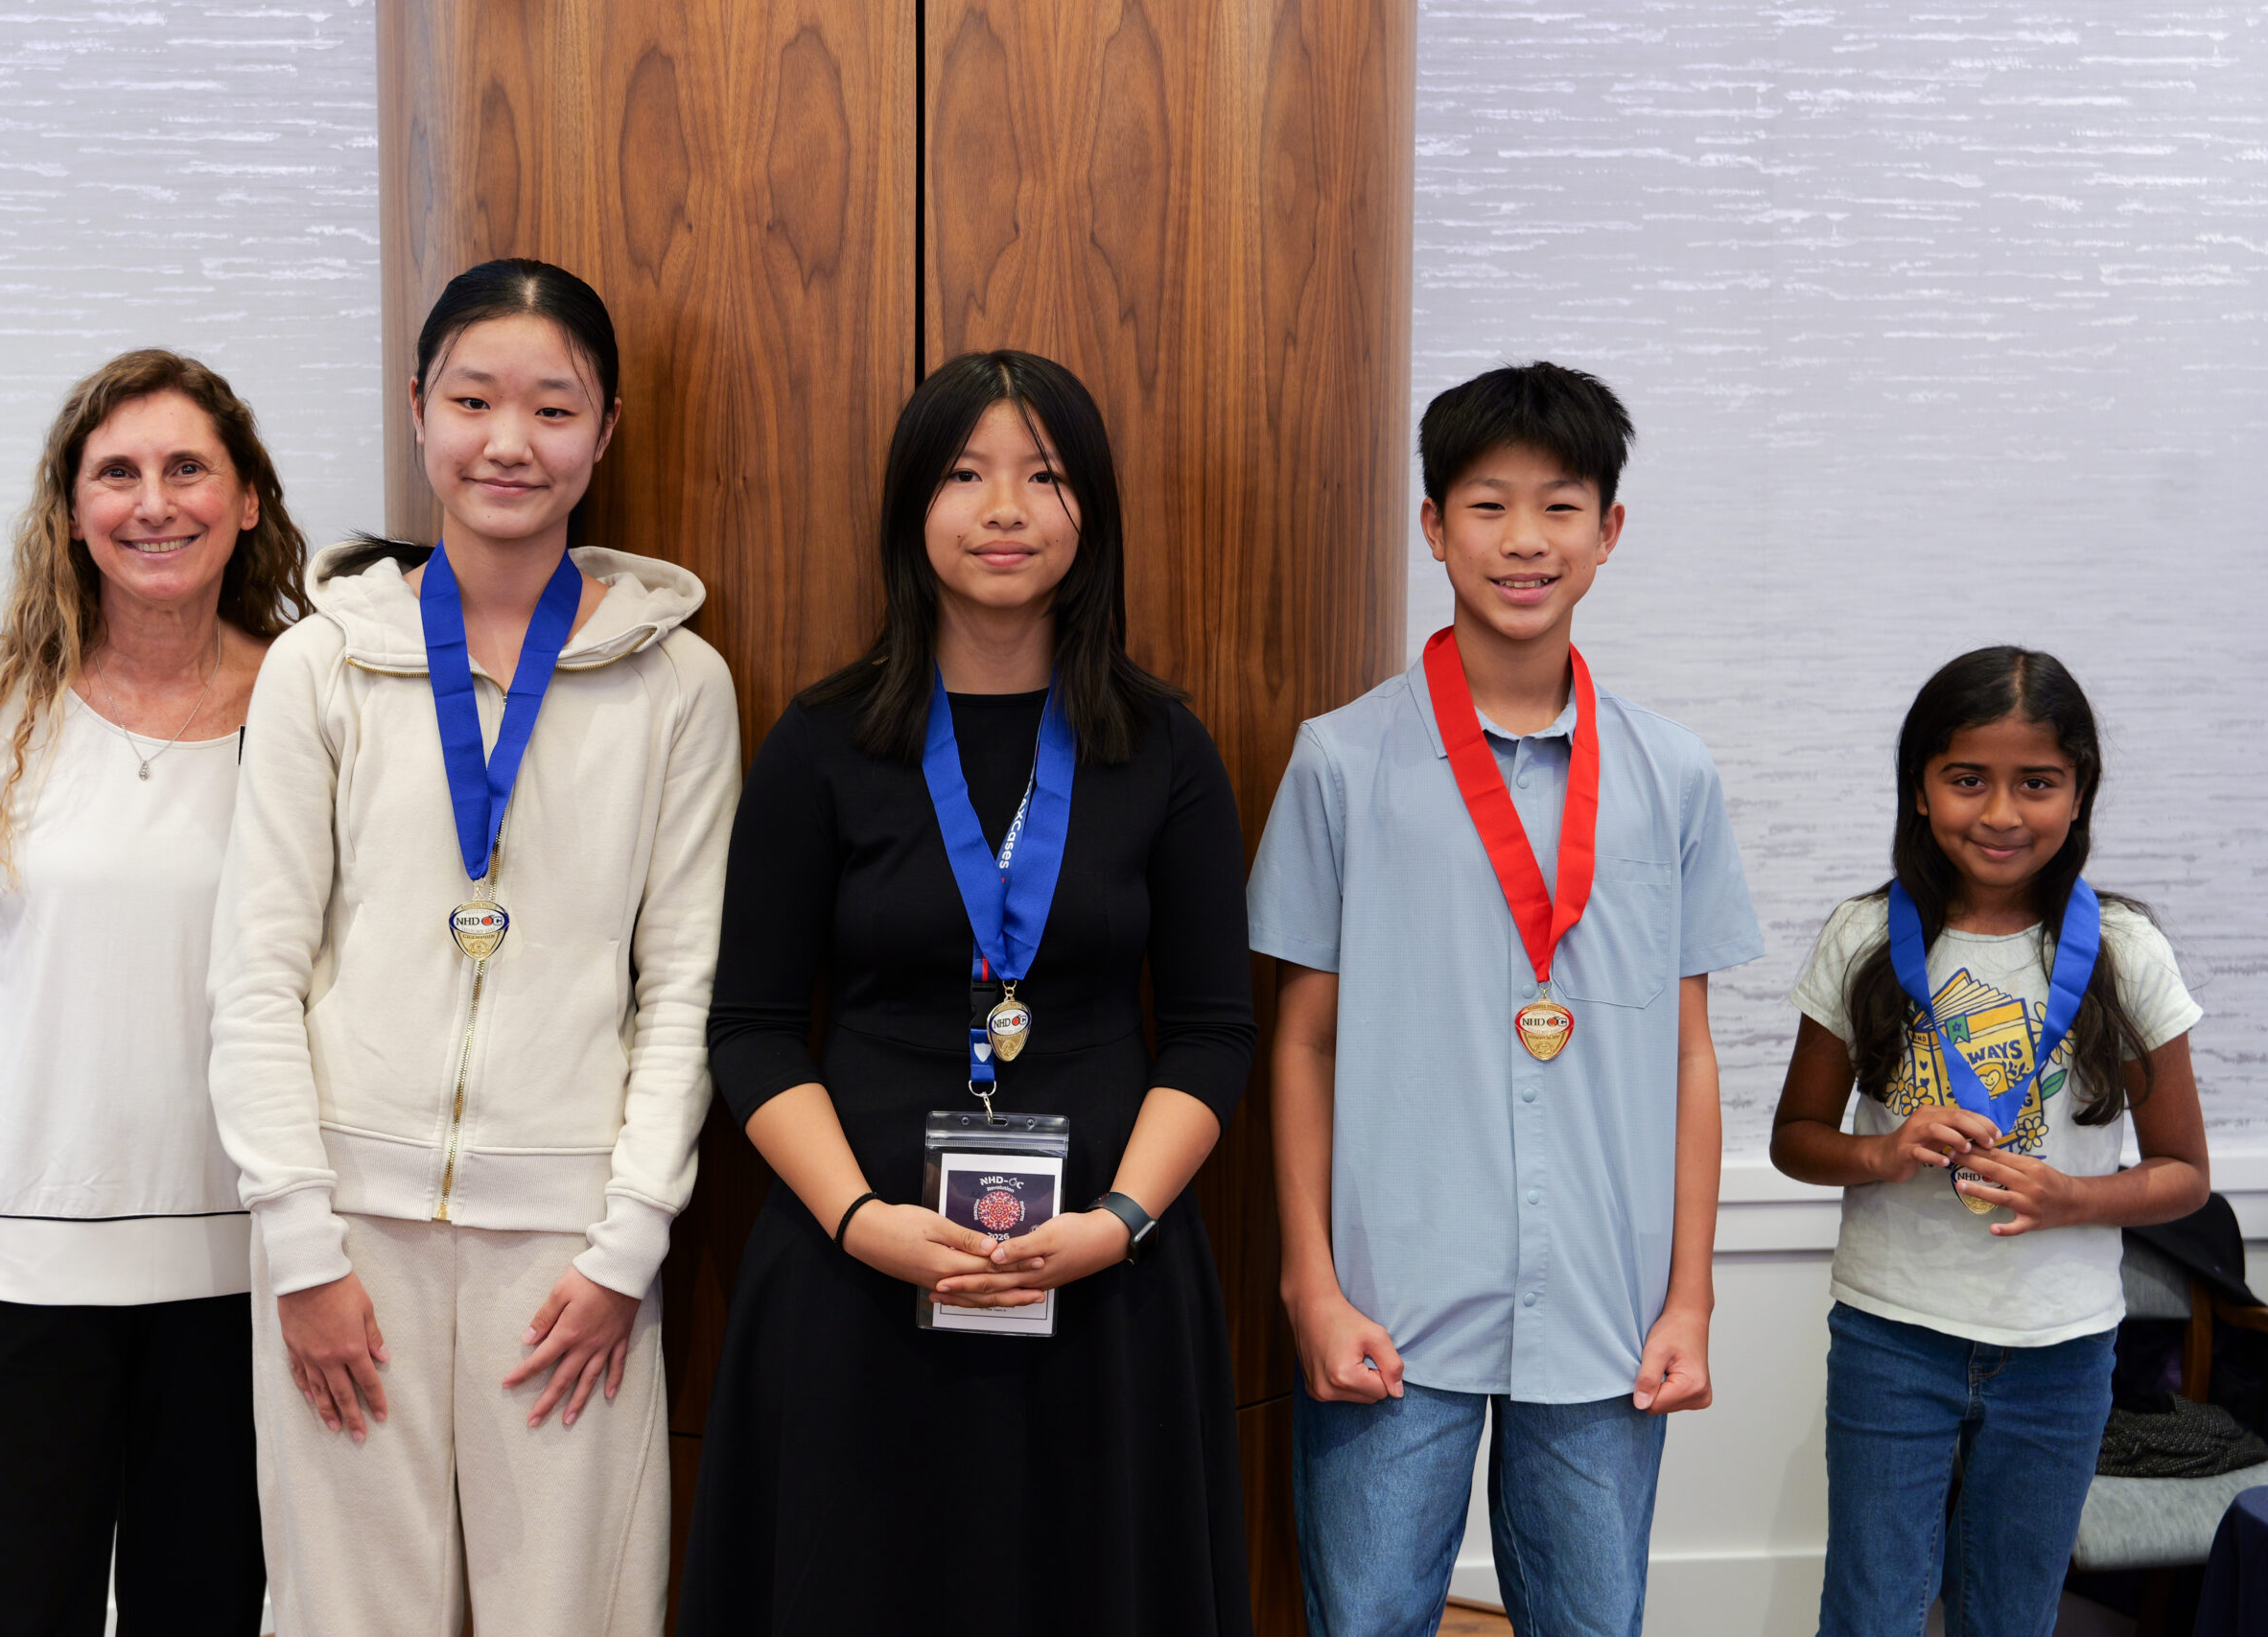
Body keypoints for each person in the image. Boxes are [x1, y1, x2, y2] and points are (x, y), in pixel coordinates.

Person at [681, 350, 1258, 1635]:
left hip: (1107, 1282)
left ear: (1090, 509)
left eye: (1043, 474)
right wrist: (859, 1219)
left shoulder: (1162, 746)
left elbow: (1214, 1031)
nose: (1006, 508)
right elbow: (755, 1028)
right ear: (911, 506)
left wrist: (1119, 1217)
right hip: (860, 1279)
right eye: (966, 472)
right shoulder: (822, 741)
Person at [205, 258, 738, 1636]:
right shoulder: (322, 663)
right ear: (419, 410)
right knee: (344, 1614)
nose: (510, 440)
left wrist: (627, 1245)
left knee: (576, 1610)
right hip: (348, 1239)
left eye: (553, 407)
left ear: (606, 429)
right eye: (474, 399)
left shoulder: (676, 680)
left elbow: (684, 985)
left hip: (567, 1253)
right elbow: (257, 968)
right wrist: (301, 1244)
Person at [1249, 362, 1765, 1637]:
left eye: (1561, 506)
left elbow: (1691, 1055)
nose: (1525, 539)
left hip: (1605, 1303)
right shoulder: (1342, 761)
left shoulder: (1672, 774)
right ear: (1433, 526)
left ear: (1609, 532)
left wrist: (1690, 1296)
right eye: (1487, 504)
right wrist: (1311, 1283)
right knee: (1364, 1618)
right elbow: (1301, 1040)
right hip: (1390, 1304)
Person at [0, 349, 307, 1633]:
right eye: (117, 472)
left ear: (249, 498)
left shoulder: (316, 703)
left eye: (186, 468)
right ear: (68, 510)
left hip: (235, 1264)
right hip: (2, 1262)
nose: (153, 501)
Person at [1771, 646, 2209, 1637]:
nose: (2002, 813)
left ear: (2078, 794)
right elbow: (1795, 1139)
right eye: (1967, 779)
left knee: (2010, 1615)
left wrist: (2073, 1199)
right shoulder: (1865, 937)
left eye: (2037, 783)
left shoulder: (2125, 951)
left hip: (2061, 1349)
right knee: (1871, 1611)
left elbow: (2185, 1177)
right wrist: (1880, 1154)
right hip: (1891, 1335)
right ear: (1919, 790)